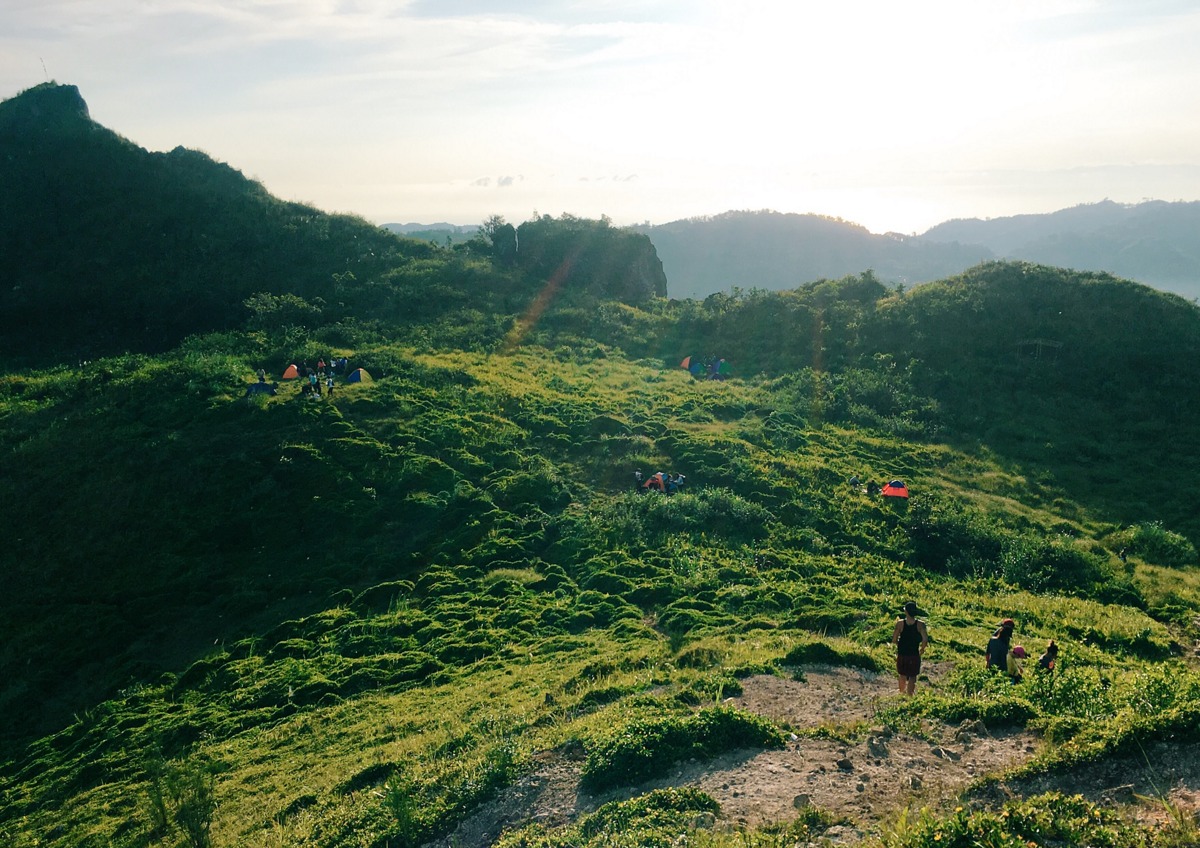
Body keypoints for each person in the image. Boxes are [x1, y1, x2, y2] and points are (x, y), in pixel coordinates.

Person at [892, 601, 929, 696]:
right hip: (914, 653)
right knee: (913, 676)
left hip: (902, 652)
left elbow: (894, 639)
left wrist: (898, 645)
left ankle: (901, 693)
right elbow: (925, 639)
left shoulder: (900, 624)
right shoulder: (921, 624)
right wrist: (922, 649)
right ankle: (910, 695)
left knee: (902, 674)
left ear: (906, 612)